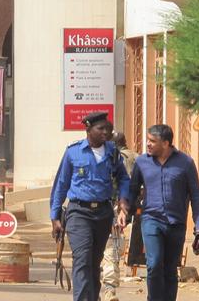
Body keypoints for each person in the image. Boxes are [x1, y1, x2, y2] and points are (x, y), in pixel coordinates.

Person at [50, 112, 130, 301]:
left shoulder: (113, 152)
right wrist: (54, 217)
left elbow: (124, 178)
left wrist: (123, 201)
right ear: (88, 129)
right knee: (82, 259)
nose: (106, 132)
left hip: (103, 213)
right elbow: (61, 184)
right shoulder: (73, 151)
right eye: (100, 128)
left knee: (94, 262)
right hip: (79, 212)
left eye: (108, 128)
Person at [127, 125, 199, 301]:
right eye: (147, 140)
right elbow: (132, 191)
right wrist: (124, 211)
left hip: (176, 223)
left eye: (152, 141)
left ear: (165, 143)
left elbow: (196, 196)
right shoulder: (142, 162)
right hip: (150, 219)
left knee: (170, 269)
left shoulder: (185, 163)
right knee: (154, 264)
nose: (147, 144)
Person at [100, 131, 138, 301]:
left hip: (111, 209)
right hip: (125, 209)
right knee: (112, 250)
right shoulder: (137, 157)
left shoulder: (111, 158)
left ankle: (106, 289)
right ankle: (107, 289)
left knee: (109, 249)